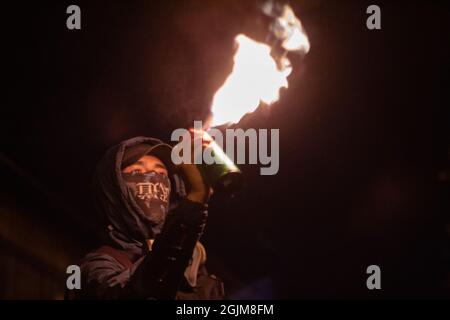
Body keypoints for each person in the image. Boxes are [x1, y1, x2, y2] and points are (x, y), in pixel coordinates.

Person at [74, 136, 224, 299]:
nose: (152, 178)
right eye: (137, 172)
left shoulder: (196, 272)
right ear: (114, 190)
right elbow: (132, 292)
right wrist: (194, 203)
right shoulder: (94, 269)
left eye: (161, 173)